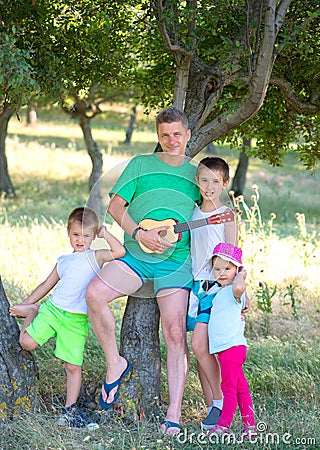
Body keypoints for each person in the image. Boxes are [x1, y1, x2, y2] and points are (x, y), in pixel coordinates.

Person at [86, 106, 201, 435]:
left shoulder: (196, 174)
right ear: (157, 136)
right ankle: (115, 363)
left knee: (175, 333)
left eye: (177, 134)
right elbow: (114, 206)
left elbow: (215, 215)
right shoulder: (139, 165)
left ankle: (174, 413)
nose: (171, 140)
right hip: (136, 255)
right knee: (95, 294)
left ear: (188, 135)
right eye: (165, 135)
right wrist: (139, 233)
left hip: (175, 262)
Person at [9, 206, 125, 430]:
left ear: (93, 236)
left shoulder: (96, 256)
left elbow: (119, 252)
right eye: (76, 235)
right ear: (68, 232)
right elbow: (45, 285)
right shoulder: (63, 260)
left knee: (72, 366)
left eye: (86, 235)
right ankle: (32, 311)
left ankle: (69, 409)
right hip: (52, 310)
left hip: (76, 321)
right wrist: (24, 304)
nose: (80, 240)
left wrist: (105, 233)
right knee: (26, 343)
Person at [188, 156, 238, 430]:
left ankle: (221, 402)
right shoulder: (194, 213)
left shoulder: (227, 214)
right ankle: (212, 407)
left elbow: (234, 253)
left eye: (215, 182)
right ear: (197, 181)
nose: (209, 186)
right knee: (201, 350)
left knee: (199, 344)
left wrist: (237, 286)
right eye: (204, 180)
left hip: (215, 287)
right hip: (195, 285)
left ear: (225, 183)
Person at [207, 242, 256, 439]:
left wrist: (242, 274)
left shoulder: (235, 292)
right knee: (240, 388)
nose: (221, 272)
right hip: (227, 349)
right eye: (217, 268)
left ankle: (223, 425)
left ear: (236, 269)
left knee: (228, 387)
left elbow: (238, 286)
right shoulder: (220, 292)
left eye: (227, 268)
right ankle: (250, 427)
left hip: (232, 348)